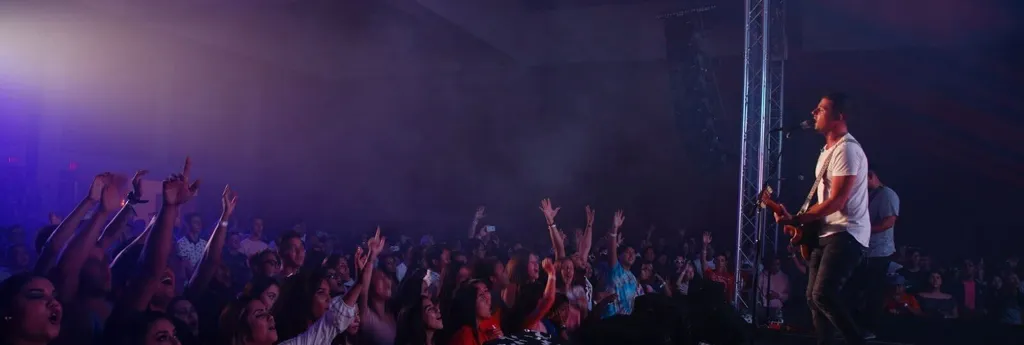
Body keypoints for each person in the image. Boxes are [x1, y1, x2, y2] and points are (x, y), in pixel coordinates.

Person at [772, 92, 869, 345]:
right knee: (812, 299)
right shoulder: (827, 150)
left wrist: (799, 219)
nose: (813, 113)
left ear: (840, 116)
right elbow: (823, 199)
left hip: (846, 231)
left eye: (821, 109)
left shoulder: (847, 150)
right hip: (826, 231)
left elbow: (838, 201)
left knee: (823, 294)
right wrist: (798, 221)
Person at [855, 167, 900, 334]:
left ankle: (871, 328)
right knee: (862, 289)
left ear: (871, 176)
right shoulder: (869, 195)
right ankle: (858, 325)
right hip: (866, 251)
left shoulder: (887, 195)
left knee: (874, 291)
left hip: (880, 252)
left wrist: (864, 230)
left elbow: (888, 222)